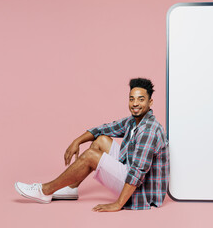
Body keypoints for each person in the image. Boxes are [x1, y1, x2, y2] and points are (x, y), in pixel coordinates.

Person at [15, 77, 170, 211]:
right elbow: (106, 128)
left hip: (140, 193)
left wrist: (118, 204)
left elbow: (137, 172)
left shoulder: (149, 130)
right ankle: (71, 188)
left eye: (141, 99)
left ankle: (45, 190)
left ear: (150, 102)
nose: (135, 103)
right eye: (132, 99)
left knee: (91, 156)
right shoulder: (133, 121)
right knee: (101, 140)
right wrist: (77, 141)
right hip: (130, 171)